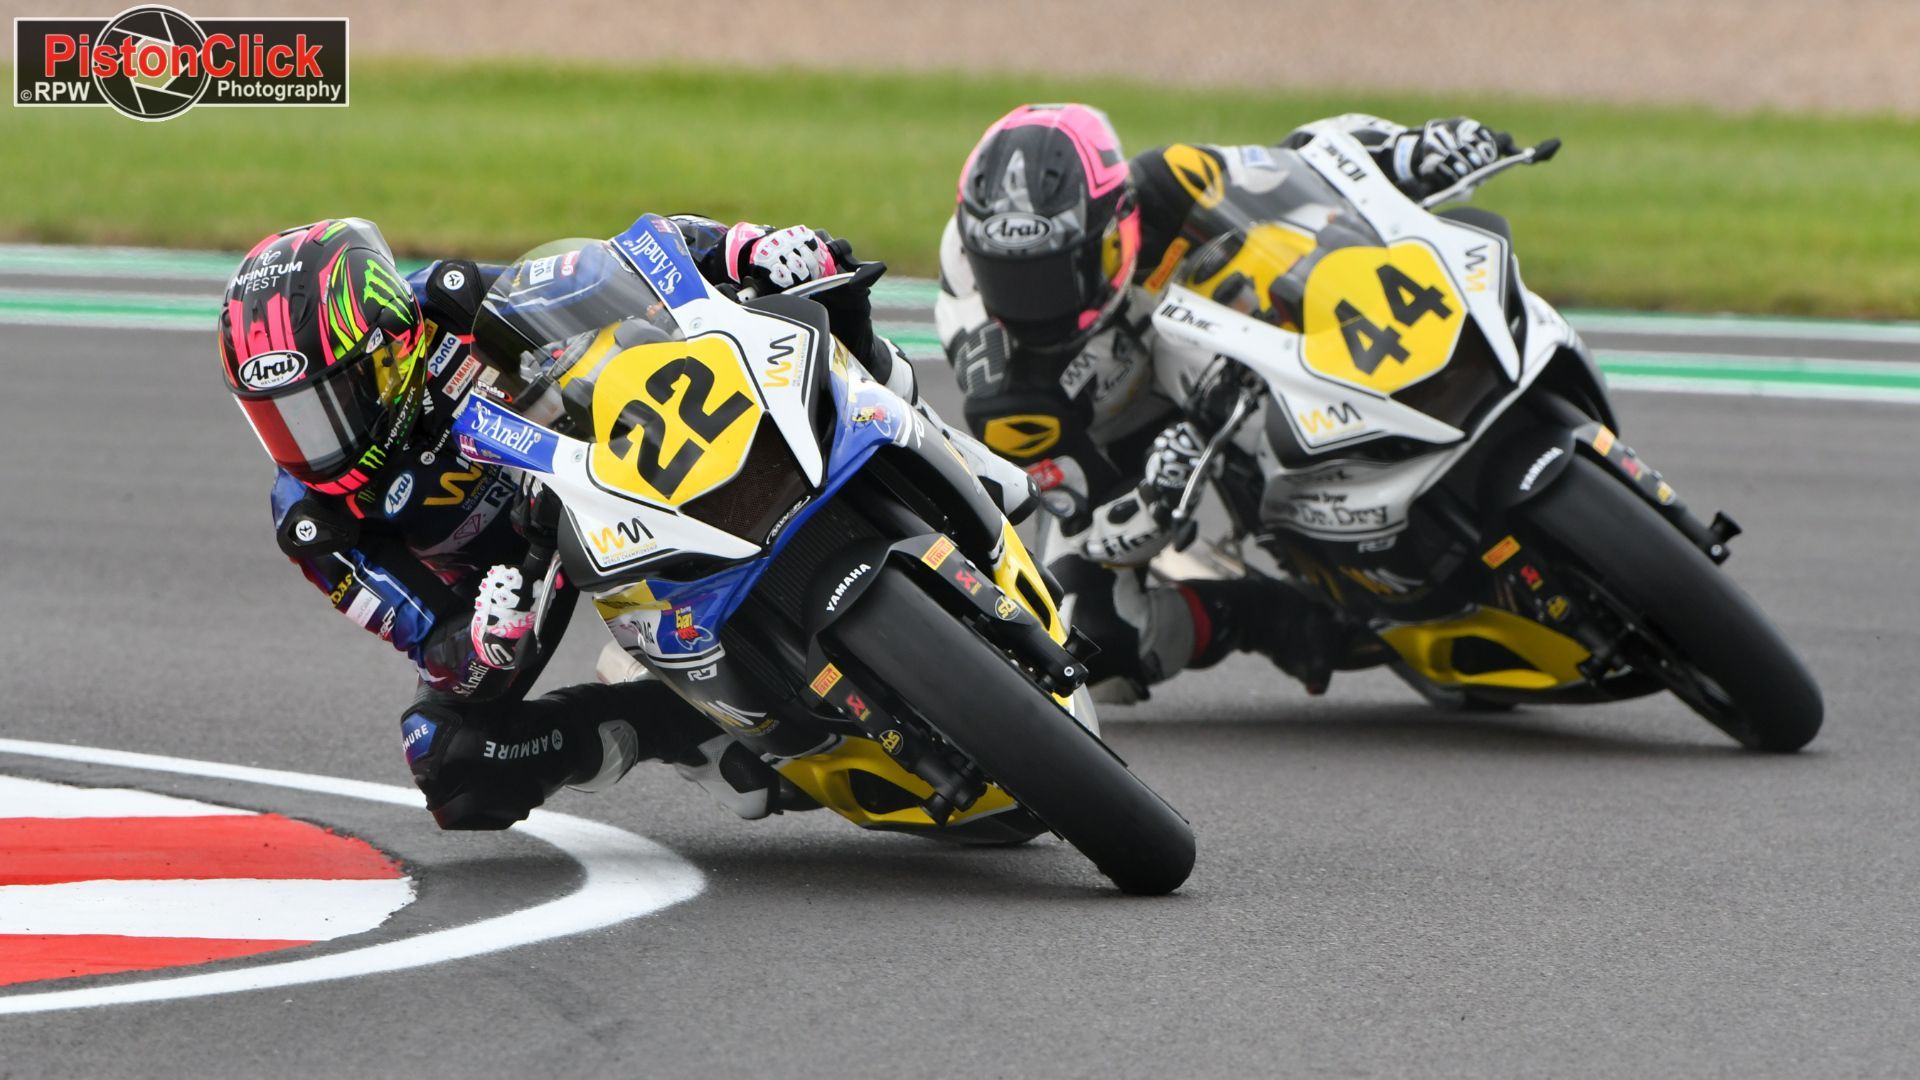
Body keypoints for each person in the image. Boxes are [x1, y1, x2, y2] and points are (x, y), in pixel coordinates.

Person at [219, 214, 1020, 829]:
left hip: (604, 447)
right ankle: (678, 726)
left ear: (390, 349)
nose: (308, 443)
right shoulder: (314, 523)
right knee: (447, 759)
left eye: (324, 404)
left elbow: (623, 265)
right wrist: (481, 642)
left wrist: (744, 249)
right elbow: (430, 643)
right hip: (526, 573)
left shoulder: (447, 300)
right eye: (279, 419)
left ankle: (942, 450)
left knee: (811, 297)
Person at [936, 104, 1516, 699]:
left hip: (1216, 337)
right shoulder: (1008, 397)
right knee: (1091, 638)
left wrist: (1410, 151)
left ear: (1115, 223)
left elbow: (1301, 162)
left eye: (1054, 275)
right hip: (1114, 438)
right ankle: (1266, 613)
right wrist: (1157, 496)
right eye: (1011, 280)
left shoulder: (1165, 178)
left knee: (1283, 240)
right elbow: (1090, 527)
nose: (1035, 306)